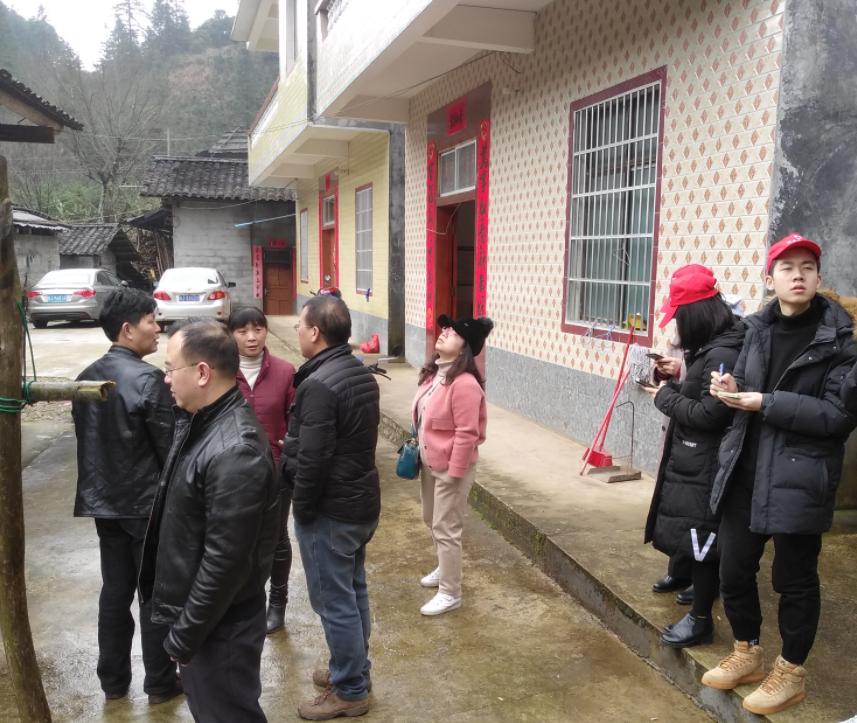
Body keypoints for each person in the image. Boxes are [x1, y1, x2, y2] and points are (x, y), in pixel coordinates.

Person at [703, 234, 857, 715]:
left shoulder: (841, 341)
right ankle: (747, 651)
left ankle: (790, 672)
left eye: (807, 267)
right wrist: (733, 386)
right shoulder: (757, 330)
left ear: (818, 277)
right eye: (787, 267)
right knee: (733, 569)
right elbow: (752, 386)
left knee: (794, 579)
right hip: (745, 470)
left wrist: (765, 402)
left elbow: (838, 416)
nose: (797, 275)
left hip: (799, 476)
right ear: (770, 280)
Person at [138, 320, 280, 722]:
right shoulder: (200, 421)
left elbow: (225, 561)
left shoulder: (236, 450)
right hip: (205, 620)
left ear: (202, 373)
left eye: (171, 369)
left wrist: (185, 634)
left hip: (220, 625)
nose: (166, 379)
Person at [71, 288, 180, 704]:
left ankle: (113, 683)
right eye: (151, 321)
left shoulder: (86, 377)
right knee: (152, 594)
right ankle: (160, 683)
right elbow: (168, 450)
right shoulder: (148, 380)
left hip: (104, 504)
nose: (158, 328)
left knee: (115, 593)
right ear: (127, 329)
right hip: (145, 507)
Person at [283, 296, 380, 720]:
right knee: (353, 592)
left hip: (332, 511)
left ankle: (350, 689)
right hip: (359, 504)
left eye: (300, 325)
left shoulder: (319, 385)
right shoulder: (358, 372)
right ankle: (354, 670)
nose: (297, 331)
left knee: (334, 602)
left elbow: (313, 459)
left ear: (315, 332)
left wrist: (302, 510)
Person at [643, 266, 744, 647]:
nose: (678, 326)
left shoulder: (722, 352)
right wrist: (676, 381)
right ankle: (692, 598)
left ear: (697, 315)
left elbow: (709, 413)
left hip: (707, 463)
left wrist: (665, 397)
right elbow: (701, 393)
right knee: (695, 535)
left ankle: (701, 619)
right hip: (696, 461)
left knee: (703, 539)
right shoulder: (712, 348)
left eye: (680, 317)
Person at [413, 314, 494, 617]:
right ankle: (444, 567)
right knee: (430, 518)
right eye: (445, 328)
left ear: (465, 348)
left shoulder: (465, 384)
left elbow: (467, 434)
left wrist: (453, 475)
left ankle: (450, 592)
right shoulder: (435, 375)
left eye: (454, 332)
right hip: (430, 461)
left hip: (451, 468)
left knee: (446, 527)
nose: (445, 332)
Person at [229, 307, 297, 634]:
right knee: (237, 537)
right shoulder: (221, 372)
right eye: (242, 331)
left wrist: (288, 449)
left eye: (258, 329)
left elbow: (295, 419)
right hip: (233, 472)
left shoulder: (285, 372)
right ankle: (243, 601)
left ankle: (278, 602)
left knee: (277, 538)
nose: (252, 337)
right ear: (231, 335)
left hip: (276, 471)